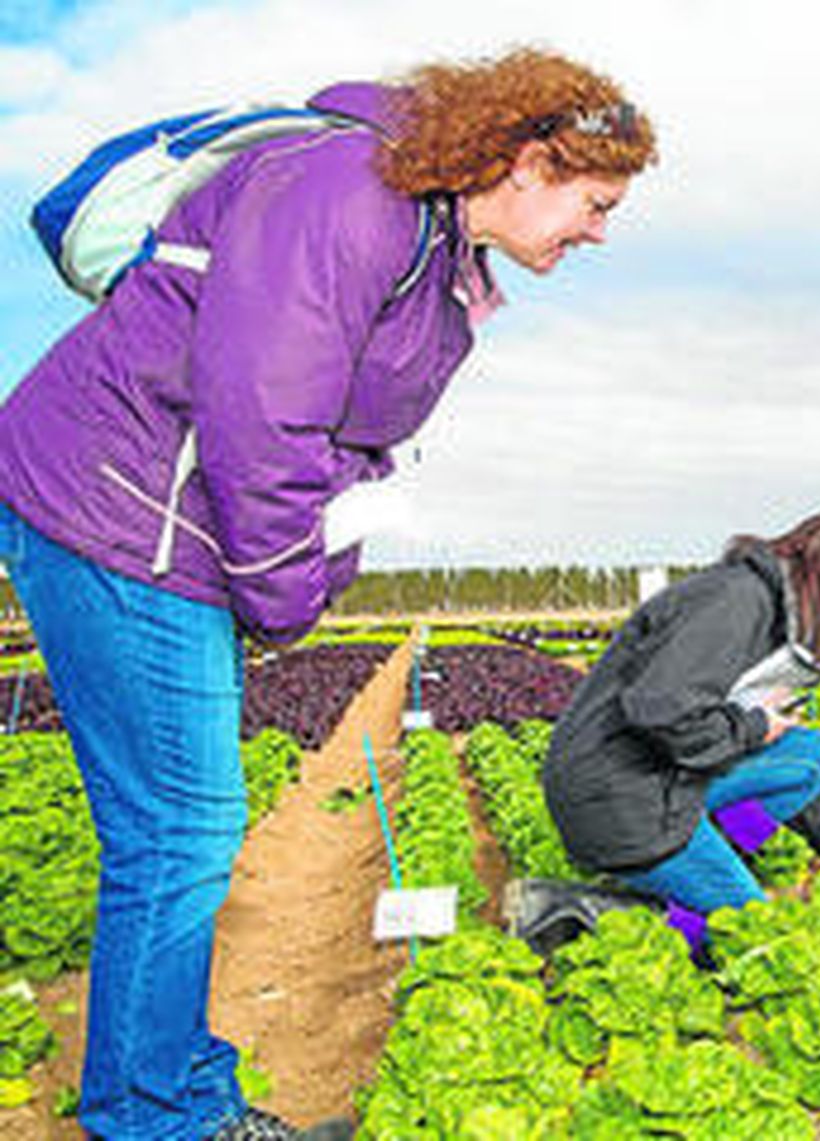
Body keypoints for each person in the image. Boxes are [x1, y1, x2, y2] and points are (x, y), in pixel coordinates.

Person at [0, 48, 656, 1141]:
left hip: (153, 523)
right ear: (533, 160)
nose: (597, 231)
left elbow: (342, 443)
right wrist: (285, 596)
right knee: (181, 829)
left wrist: (308, 564)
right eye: (595, 203)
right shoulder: (352, 197)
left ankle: (166, 1093)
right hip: (111, 508)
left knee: (175, 829)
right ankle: (156, 1119)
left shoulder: (435, 247)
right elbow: (261, 418)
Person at [543, 510, 820, 955]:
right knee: (747, 934)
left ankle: (716, 849)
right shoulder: (736, 601)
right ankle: (593, 911)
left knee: (812, 755)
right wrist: (754, 728)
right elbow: (659, 709)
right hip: (619, 794)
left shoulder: (774, 607)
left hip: (663, 774)